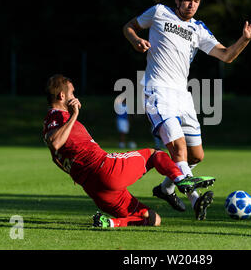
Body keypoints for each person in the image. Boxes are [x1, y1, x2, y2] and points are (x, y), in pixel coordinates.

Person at [123, 0, 251, 219]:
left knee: (196, 155)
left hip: (183, 96)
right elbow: (129, 26)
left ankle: (166, 188)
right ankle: (196, 200)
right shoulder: (159, 12)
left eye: (196, 1)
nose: (191, 5)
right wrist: (136, 40)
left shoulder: (198, 29)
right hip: (157, 91)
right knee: (178, 149)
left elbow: (226, 56)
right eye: (187, 0)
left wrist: (245, 39)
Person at [42, 74, 215, 228]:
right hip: (105, 169)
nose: (75, 97)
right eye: (72, 93)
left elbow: (55, 157)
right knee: (155, 154)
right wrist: (74, 115)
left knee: (153, 219)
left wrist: (77, 174)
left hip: (95, 189)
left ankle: (110, 223)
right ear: (61, 96)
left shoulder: (52, 122)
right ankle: (181, 180)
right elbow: (55, 142)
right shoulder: (58, 116)